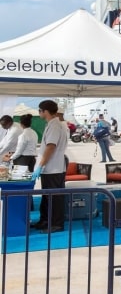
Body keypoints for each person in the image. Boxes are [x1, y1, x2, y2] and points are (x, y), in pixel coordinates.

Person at [31, 100, 68, 233]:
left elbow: (51, 147)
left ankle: (57, 224)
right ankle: (45, 220)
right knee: (47, 196)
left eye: (39, 110)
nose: (39, 113)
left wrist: (41, 165)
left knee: (55, 198)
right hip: (49, 168)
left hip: (54, 168)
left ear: (45, 111)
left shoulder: (55, 126)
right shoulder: (51, 125)